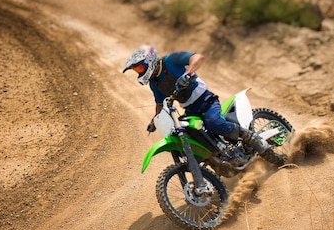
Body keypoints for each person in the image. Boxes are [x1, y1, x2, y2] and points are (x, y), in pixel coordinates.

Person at [122, 45, 286, 165]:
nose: (140, 72)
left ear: (150, 60)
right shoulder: (154, 83)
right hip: (191, 109)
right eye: (137, 70)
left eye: (140, 67)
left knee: (215, 123)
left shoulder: (171, 60)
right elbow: (159, 103)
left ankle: (252, 137)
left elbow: (197, 57)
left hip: (206, 100)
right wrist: (154, 120)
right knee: (191, 134)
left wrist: (188, 73)